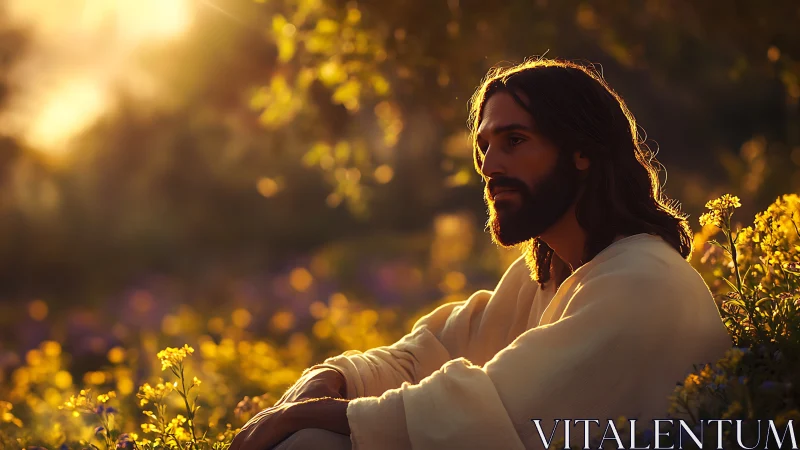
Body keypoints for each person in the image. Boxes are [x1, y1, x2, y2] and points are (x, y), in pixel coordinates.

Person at [230, 58, 733, 450]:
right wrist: (331, 376)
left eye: (515, 140)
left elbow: (488, 412)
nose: (490, 165)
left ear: (582, 153)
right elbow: (430, 353)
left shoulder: (640, 284)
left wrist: (295, 416)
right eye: (485, 146)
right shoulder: (548, 276)